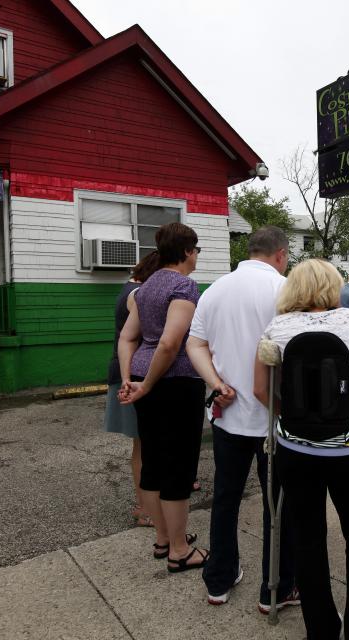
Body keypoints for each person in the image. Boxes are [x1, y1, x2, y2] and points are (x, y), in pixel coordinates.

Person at [255, 259, 349, 640]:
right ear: (333, 286)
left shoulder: (277, 327)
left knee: (307, 537)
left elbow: (260, 389)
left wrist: (287, 412)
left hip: (295, 449)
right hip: (348, 450)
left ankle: (320, 629)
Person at [184, 227, 298, 610]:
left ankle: (219, 579)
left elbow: (194, 344)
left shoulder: (214, 289)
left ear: (250, 251)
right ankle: (277, 588)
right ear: (280, 254)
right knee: (277, 505)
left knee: (225, 498)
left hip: (227, 415)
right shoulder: (285, 289)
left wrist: (216, 382)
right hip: (274, 418)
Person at [118, 222, 207, 573]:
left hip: (143, 376)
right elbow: (171, 343)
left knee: (153, 460)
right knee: (179, 463)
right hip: (175, 381)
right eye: (196, 249)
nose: (197, 256)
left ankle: (164, 538)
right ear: (186, 251)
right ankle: (180, 550)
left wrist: (131, 379)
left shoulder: (145, 287)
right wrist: (150, 383)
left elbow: (127, 338)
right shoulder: (184, 286)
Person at [104, 251, 161, 528]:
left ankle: (148, 503)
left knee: (143, 443)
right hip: (131, 377)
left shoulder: (129, 288)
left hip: (126, 374)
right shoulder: (138, 294)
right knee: (142, 444)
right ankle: (144, 508)